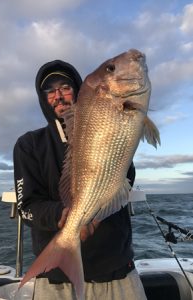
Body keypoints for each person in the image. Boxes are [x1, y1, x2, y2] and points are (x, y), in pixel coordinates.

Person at [13, 60, 147, 300]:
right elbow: (27, 208)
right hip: (55, 278)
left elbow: (125, 176)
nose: (58, 96)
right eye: (50, 90)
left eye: (64, 87)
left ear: (77, 89)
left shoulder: (103, 123)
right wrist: (62, 216)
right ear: (42, 98)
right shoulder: (29, 145)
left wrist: (94, 214)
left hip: (116, 267)